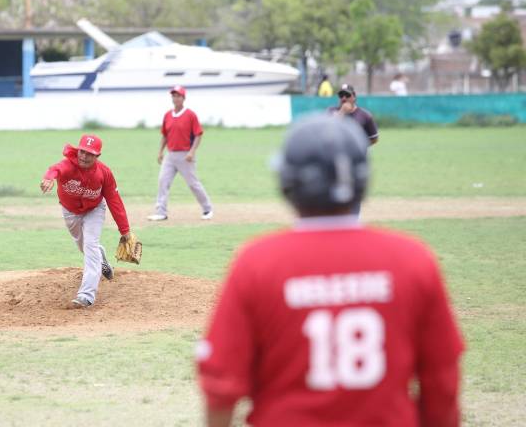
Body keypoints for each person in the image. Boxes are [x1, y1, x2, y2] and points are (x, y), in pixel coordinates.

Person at [197, 114, 464, 427]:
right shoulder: (413, 259)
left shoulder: (257, 262)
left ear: (288, 183)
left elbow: (221, 389)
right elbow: (442, 384)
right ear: (364, 179)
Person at [40, 134, 132, 308]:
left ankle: (86, 295)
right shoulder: (68, 165)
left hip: (95, 210)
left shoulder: (104, 173)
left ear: (97, 156)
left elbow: (114, 200)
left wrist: (124, 230)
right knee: (83, 245)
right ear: (78, 150)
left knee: (90, 245)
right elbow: (55, 169)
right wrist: (49, 177)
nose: (84, 156)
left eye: (90, 154)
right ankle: (101, 257)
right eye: (82, 151)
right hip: (70, 211)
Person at [147, 85, 214, 221]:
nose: (176, 98)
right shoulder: (167, 115)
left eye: (178, 96)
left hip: (185, 155)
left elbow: (198, 134)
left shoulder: (190, 115)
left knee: (193, 184)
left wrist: (192, 151)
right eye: (174, 95)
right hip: (170, 155)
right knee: (163, 181)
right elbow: (165, 135)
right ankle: (161, 212)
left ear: (184, 98)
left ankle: (207, 209)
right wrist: (160, 151)